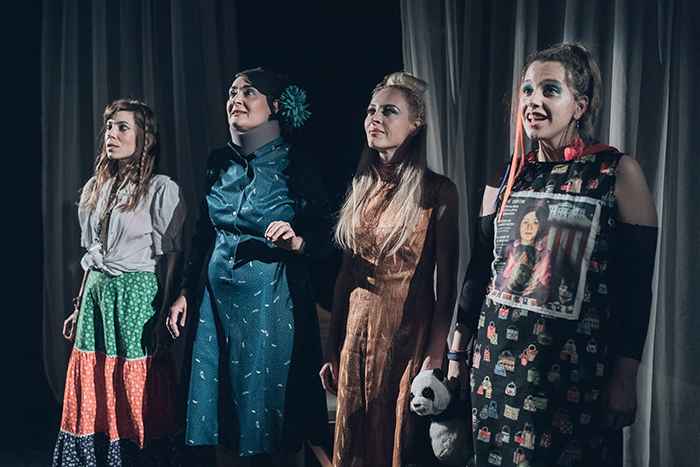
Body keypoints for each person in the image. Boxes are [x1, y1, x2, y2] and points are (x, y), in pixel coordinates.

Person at [448, 43, 658, 467]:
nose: (533, 101)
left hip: (574, 375)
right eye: (527, 90)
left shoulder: (616, 172)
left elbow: (636, 287)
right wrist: (456, 351)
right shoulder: (508, 175)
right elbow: (479, 271)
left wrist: (626, 375)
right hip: (496, 367)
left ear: (580, 106)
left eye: (549, 90)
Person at [167, 67, 330, 466]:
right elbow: (202, 234)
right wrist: (185, 290)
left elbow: (329, 236)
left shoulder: (296, 163)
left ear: (274, 106)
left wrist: (297, 242)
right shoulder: (218, 161)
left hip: (271, 305)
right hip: (216, 306)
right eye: (232, 92)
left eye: (248, 92)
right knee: (218, 408)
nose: (236, 99)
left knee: (269, 409)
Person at [319, 71, 460, 467]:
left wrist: (436, 354)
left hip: (405, 335)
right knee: (353, 440)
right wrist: (332, 346)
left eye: (389, 111)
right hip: (356, 334)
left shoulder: (438, 191)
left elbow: (447, 284)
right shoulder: (361, 186)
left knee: (396, 438)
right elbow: (345, 275)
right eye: (371, 110)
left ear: (415, 124)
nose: (374, 118)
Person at [53, 99, 186, 466]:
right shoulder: (97, 187)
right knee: (95, 378)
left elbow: (172, 256)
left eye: (122, 127)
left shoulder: (161, 189)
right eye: (109, 127)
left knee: (132, 380)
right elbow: (93, 254)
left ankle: (134, 456)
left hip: (135, 296)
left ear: (145, 137)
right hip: (97, 296)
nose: (111, 134)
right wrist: (78, 305)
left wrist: (164, 309)